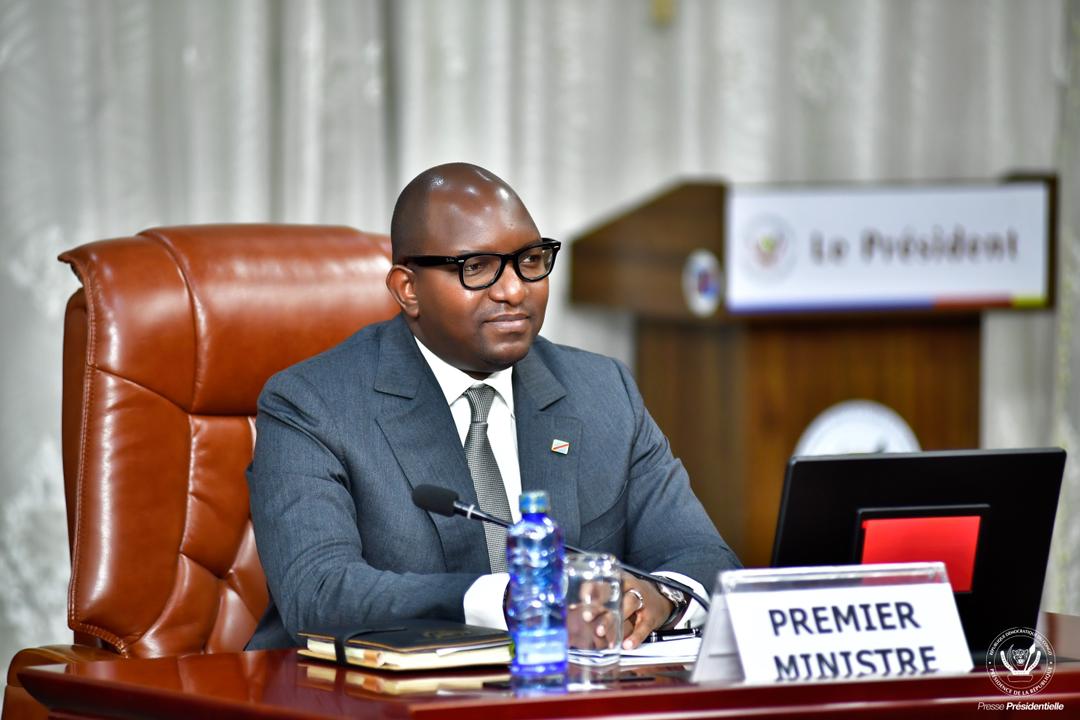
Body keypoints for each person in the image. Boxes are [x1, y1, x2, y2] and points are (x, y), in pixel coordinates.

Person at [246, 162, 741, 652]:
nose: (513, 290)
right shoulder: (313, 404)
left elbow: (703, 556)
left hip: (569, 688)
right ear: (408, 289)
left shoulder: (602, 391)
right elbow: (318, 591)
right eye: (477, 268)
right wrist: (511, 600)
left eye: (530, 260)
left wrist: (660, 598)